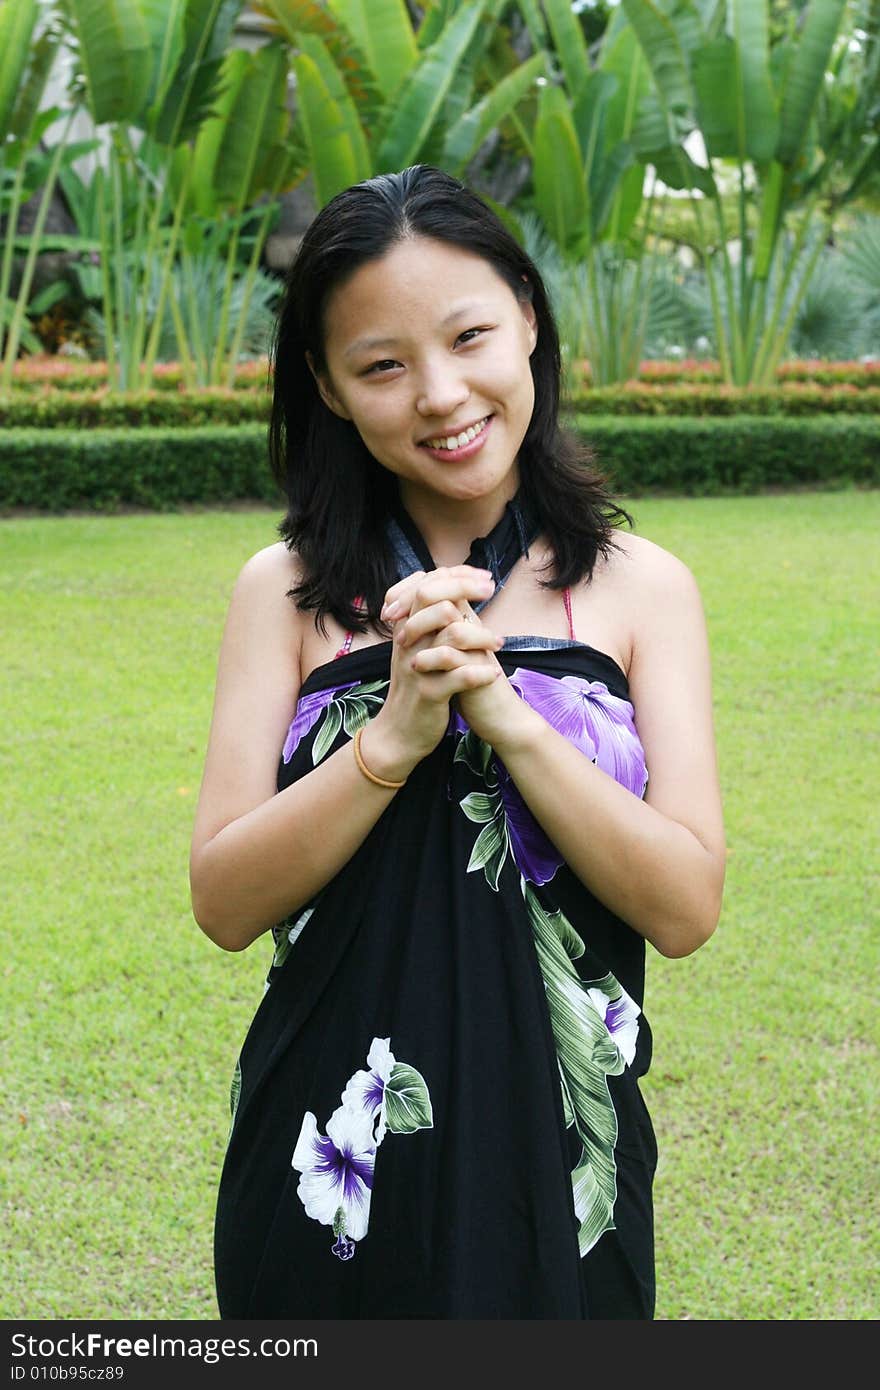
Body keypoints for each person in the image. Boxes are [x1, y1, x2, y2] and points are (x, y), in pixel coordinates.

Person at [189, 164, 725, 1320]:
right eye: (381, 364)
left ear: (528, 319)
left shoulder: (642, 590)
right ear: (327, 389)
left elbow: (684, 907)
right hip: (327, 1158)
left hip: (560, 1168)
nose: (440, 394)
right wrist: (392, 734)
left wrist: (504, 717)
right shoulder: (280, 592)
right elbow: (225, 901)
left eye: (470, 334)